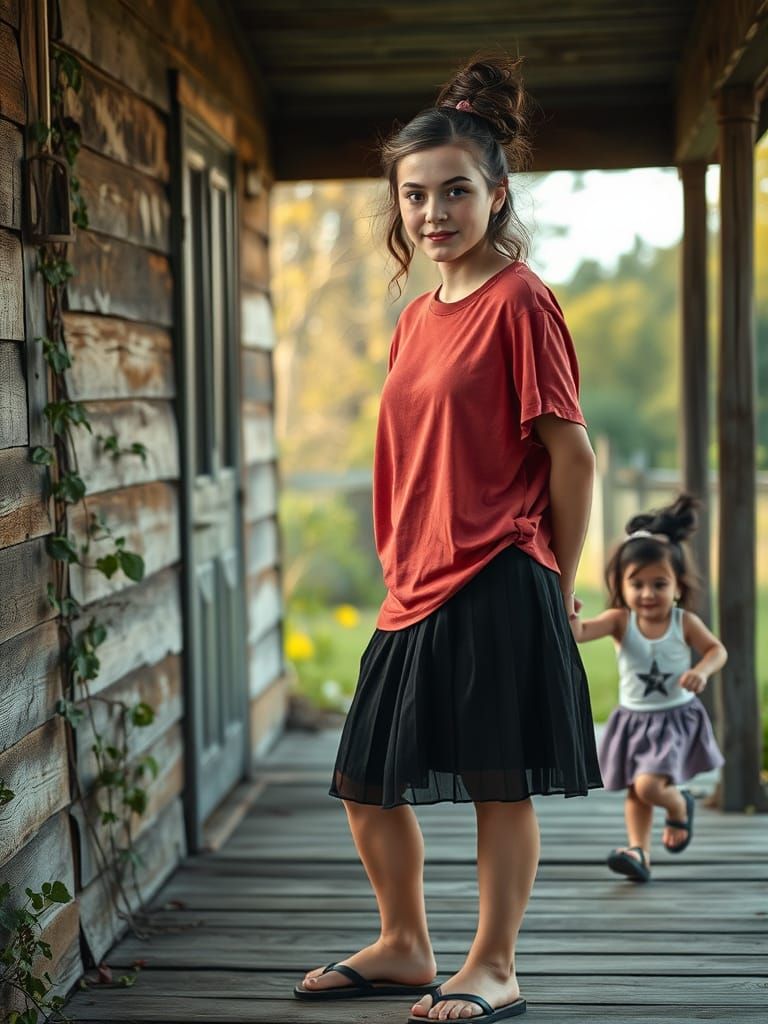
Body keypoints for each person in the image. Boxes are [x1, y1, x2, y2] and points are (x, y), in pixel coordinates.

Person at [294, 54, 602, 1023]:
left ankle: (494, 964)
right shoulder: (417, 319)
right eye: (416, 195)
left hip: (501, 571)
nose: (435, 213)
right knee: (366, 782)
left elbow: (572, 455)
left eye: (456, 191)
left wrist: (557, 579)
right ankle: (403, 944)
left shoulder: (522, 302)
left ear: (496, 193)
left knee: (496, 787)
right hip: (415, 585)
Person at [570, 495, 727, 883]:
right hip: (633, 720)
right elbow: (580, 633)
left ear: (677, 587)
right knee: (635, 791)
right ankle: (639, 851)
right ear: (620, 586)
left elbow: (717, 650)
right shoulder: (619, 621)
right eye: (636, 584)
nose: (647, 594)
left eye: (659, 584)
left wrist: (702, 671)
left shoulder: (682, 622)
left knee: (648, 785)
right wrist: (570, 612)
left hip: (674, 719)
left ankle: (679, 805)